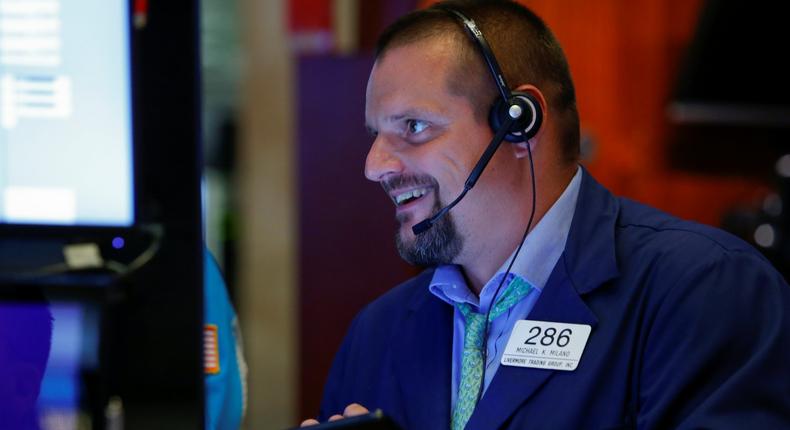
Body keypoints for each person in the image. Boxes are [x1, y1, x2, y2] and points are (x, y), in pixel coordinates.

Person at [303, 1, 790, 428]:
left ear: (519, 123)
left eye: (414, 126)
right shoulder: (376, 333)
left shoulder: (705, 290)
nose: (374, 167)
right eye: (375, 135)